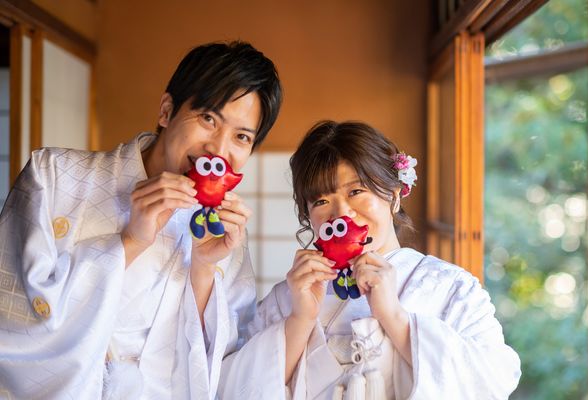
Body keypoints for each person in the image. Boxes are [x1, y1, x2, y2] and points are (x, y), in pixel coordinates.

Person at [0, 41, 282, 399]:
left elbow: (226, 368)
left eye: (241, 137)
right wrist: (129, 243)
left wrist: (204, 270)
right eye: (209, 119)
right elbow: (11, 315)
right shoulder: (53, 176)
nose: (218, 149)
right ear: (166, 111)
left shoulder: (222, 233)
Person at [220, 121, 521, 399]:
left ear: (394, 196)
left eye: (356, 191)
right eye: (321, 200)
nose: (341, 213)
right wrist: (300, 321)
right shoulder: (289, 296)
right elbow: (230, 389)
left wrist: (395, 318)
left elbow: (492, 380)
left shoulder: (449, 287)